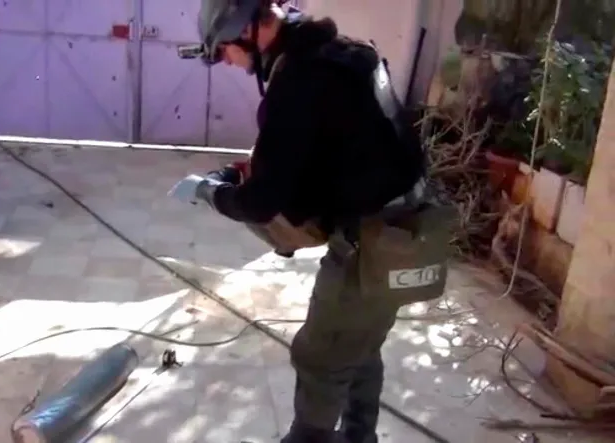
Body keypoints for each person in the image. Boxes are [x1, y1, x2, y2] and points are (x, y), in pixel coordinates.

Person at [170, 1, 455, 442]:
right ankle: (360, 437)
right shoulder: (348, 52)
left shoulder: (299, 80)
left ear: (248, 29)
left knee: (321, 357)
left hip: (373, 242)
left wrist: (212, 193)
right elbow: (353, 144)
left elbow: (264, 203)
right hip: (413, 225)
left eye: (225, 49)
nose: (227, 60)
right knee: (360, 344)